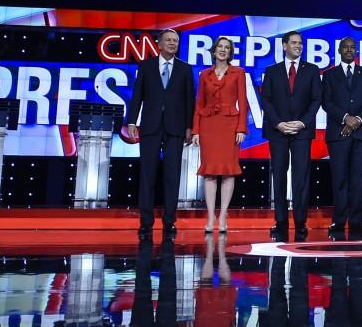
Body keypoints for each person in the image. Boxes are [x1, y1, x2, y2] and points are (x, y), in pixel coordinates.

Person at [126, 28, 195, 237]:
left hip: (175, 128)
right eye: (169, 40)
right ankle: (146, 222)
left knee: (172, 175)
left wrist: (189, 127)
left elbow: (190, 100)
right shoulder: (146, 66)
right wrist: (131, 121)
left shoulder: (184, 69)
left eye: (175, 40)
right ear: (159, 43)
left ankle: (169, 221)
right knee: (147, 174)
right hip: (150, 126)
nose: (173, 43)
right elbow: (137, 95)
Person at [260, 30, 322, 241]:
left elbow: (316, 100)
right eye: (294, 43)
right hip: (278, 131)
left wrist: (302, 122)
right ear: (284, 45)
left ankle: (300, 222)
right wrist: (278, 123)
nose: (298, 46)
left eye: (300, 43)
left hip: (302, 131)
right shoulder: (272, 71)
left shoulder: (312, 70)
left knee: (301, 177)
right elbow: (266, 100)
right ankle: (280, 221)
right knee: (278, 175)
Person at [322, 36, 362, 239]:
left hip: (361, 135)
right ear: (339, 50)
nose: (349, 50)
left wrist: (357, 120)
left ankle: (356, 221)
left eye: (352, 47)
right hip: (337, 134)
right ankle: (338, 220)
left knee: (357, 179)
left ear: (356, 51)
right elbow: (326, 102)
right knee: (339, 179)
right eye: (345, 47)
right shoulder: (329, 75)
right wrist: (346, 118)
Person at [191, 37, 248, 234]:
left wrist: (241, 128)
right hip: (209, 125)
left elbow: (243, 101)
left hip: (230, 125)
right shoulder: (204, 74)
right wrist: (196, 130)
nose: (223, 50)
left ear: (230, 53)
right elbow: (199, 103)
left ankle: (223, 216)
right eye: (220, 47)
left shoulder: (239, 73)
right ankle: (210, 216)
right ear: (214, 51)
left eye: (227, 48)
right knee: (209, 171)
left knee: (228, 171)